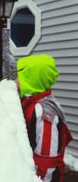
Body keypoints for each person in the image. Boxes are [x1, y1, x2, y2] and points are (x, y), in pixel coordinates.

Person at [15, 54, 73, 182]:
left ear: (32, 80)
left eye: (20, 76)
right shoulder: (31, 102)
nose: (15, 80)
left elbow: (47, 164)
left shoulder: (43, 113)